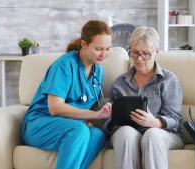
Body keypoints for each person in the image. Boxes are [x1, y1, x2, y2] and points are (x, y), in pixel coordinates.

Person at [21, 20, 113, 169]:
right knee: (79, 130)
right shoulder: (64, 65)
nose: (104, 54)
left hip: (68, 125)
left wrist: (83, 120)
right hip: (40, 124)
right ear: (84, 44)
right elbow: (55, 108)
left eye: (108, 49)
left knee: (97, 135)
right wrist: (93, 115)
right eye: (98, 49)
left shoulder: (98, 71)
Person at [102, 26, 184, 169]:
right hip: (129, 134)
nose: (139, 59)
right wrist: (111, 119)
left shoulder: (168, 80)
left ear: (156, 52)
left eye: (145, 54)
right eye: (135, 53)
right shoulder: (120, 83)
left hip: (163, 134)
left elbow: (176, 120)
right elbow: (108, 122)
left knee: (152, 135)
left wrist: (155, 122)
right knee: (125, 133)